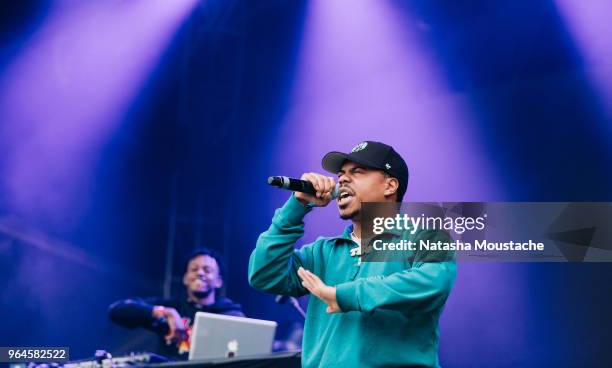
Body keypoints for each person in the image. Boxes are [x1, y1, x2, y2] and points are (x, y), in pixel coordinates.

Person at [249, 141, 457, 368]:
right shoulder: (322, 252)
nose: (343, 180)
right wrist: (296, 207)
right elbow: (263, 274)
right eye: (341, 174)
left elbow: (432, 284)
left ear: (390, 186)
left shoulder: (426, 236)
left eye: (357, 172)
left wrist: (344, 295)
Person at [109, 248, 244, 360]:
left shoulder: (231, 314)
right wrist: (165, 312)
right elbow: (117, 310)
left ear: (218, 281)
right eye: (194, 269)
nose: (200, 273)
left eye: (207, 270)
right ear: (185, 278)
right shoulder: (172, 307)